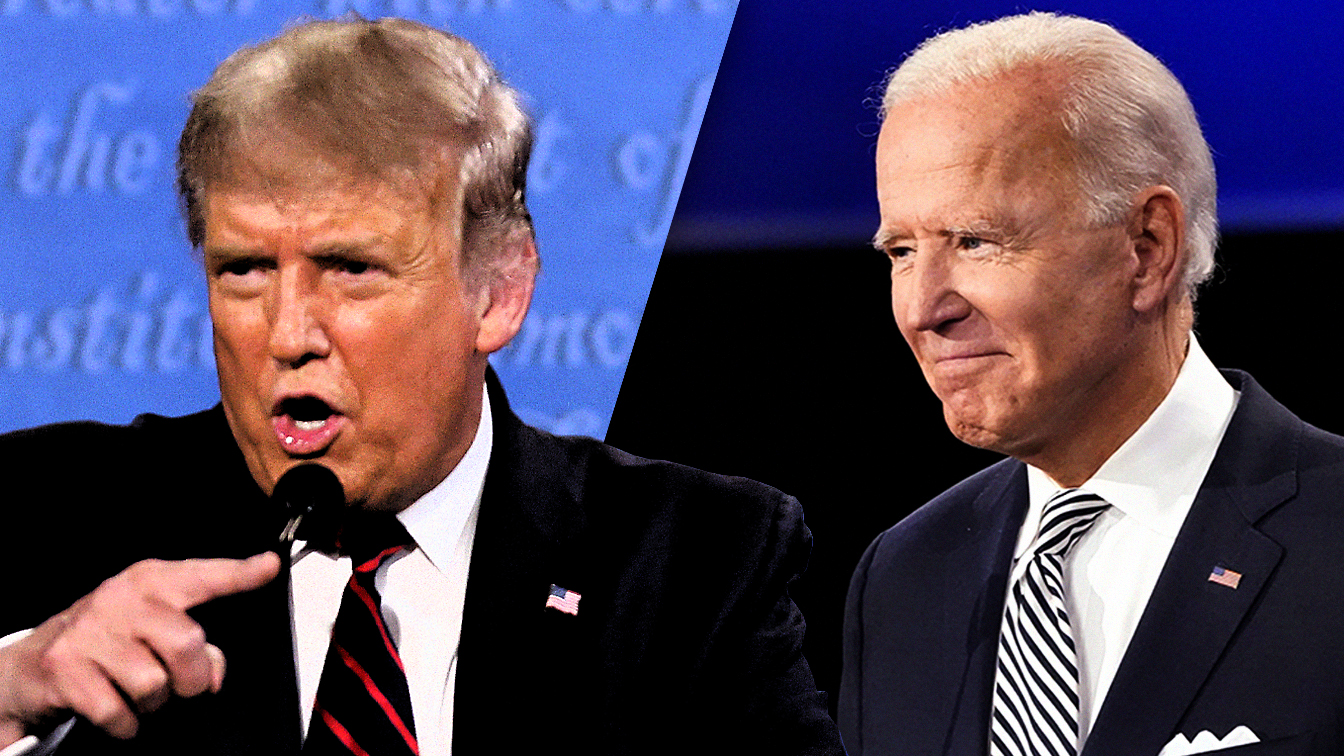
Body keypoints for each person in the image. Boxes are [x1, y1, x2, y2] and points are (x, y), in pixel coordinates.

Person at [0, 18, 845, 756]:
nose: (289, 333)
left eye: (351, 268)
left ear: (499, 292)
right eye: (245, 270)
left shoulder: (693, 562)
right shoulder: (55, 516)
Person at [839, 11, 1344, 756]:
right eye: (903, 251)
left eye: (975, 241)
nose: (923, 308)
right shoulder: (903, 578)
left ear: (1147, 249)